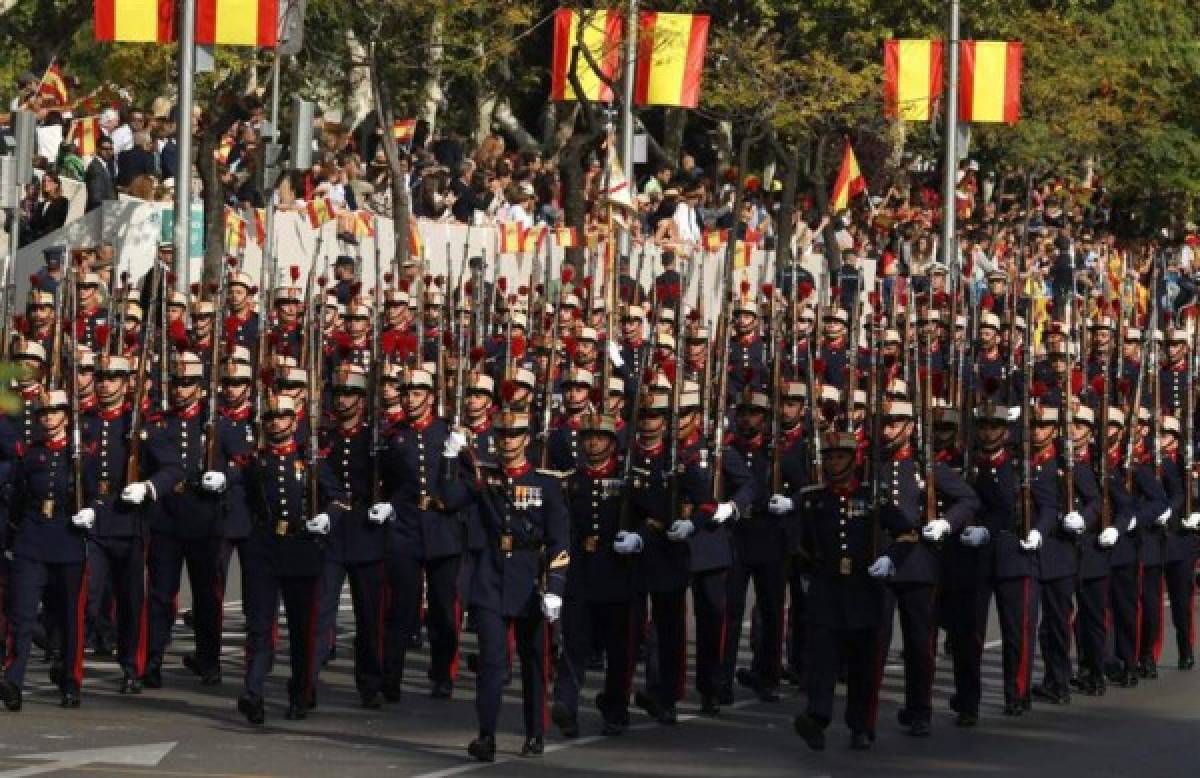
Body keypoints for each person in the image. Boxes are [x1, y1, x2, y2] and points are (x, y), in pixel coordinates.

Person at [438, 410, 569, 762]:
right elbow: (450, 501)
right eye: (502, 434)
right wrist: (450, 457)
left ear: (527, 438)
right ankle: (486, 735)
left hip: (530, 579)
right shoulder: (485, 478)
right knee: (493, 662)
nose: (507, 441)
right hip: (491, 577)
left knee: (534, 662)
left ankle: (535, 732)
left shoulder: (547, 484)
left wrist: (555, 586)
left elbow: (559, 540)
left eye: (514, 435)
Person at [237, 395, 347, 724]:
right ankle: (252, 692)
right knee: (259, 625)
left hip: (302, 547)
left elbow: (339, 498)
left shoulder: (309, 458)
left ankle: (301, 692)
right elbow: (239, 488)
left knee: (302, 630)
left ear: (294, 419)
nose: (275, 422)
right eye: (269, 416)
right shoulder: (255, 460)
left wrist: (327, 517)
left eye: (282, 416)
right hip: (265, 548)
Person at [26, 172, 68, 244]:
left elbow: (56, 224)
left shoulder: (62, 201)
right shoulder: (42, 204)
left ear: (56, 184)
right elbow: (33, 224)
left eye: (49, 181)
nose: (45, 183)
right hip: (36, 242)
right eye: (44, 181)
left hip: (50, 242)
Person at [85, 138, 117, 212]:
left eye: (111, 149)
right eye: (105, 149)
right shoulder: (95, 168)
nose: (108, 152)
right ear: (98, 149)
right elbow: (96, 198)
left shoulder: (108, 166)